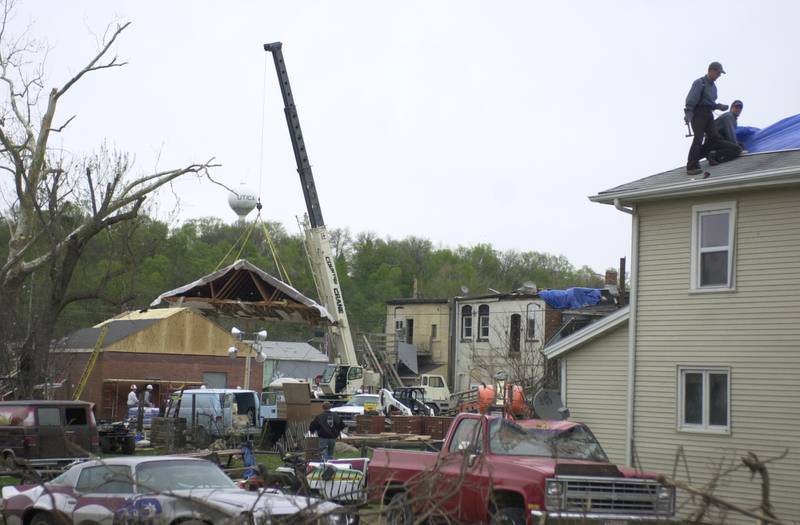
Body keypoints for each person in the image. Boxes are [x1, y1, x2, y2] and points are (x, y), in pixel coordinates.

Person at [684, 61, 741, 175]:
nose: (719, 76)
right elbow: (690, 101)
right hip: (698, 113)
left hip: (708, 114)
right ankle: (691, 166)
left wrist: (718, 106)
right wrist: (689, 113)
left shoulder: (714, 88)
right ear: (711, 70)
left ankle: (711, 154)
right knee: (698, 138)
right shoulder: (700, 83)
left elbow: (711, 103)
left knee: (714, 138)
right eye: (718, 73)